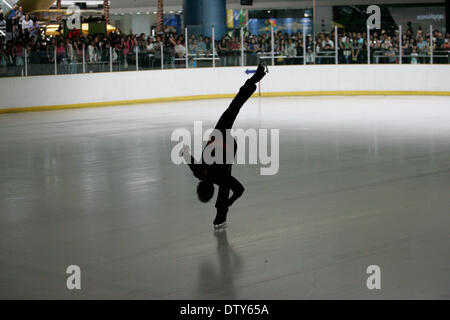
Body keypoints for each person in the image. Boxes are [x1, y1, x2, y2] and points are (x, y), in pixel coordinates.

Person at [182, 63, 268, 229]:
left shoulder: (202, 172)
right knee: (235, 105)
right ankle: (221, 213)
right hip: (224, 140)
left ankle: (220, 216)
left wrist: (230, 201)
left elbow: (240, 190)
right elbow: (187, 157)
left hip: (223, 139)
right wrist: (184, 150)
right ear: (200, 184)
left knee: (225, 184)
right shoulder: (200, 172)